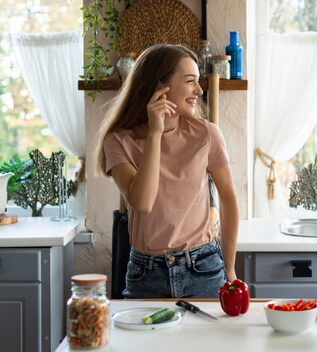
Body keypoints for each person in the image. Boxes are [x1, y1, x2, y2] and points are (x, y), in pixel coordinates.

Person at [95, 43, 240, 298]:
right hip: (146, 273)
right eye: (189, 81)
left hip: (203, 268)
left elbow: (228, 198)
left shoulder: (206, 134)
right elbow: (143, 202)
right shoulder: (117, 141)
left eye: (198, 81)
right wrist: (154, 133)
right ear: (159, 87)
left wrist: (229, 268)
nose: (198, 89)